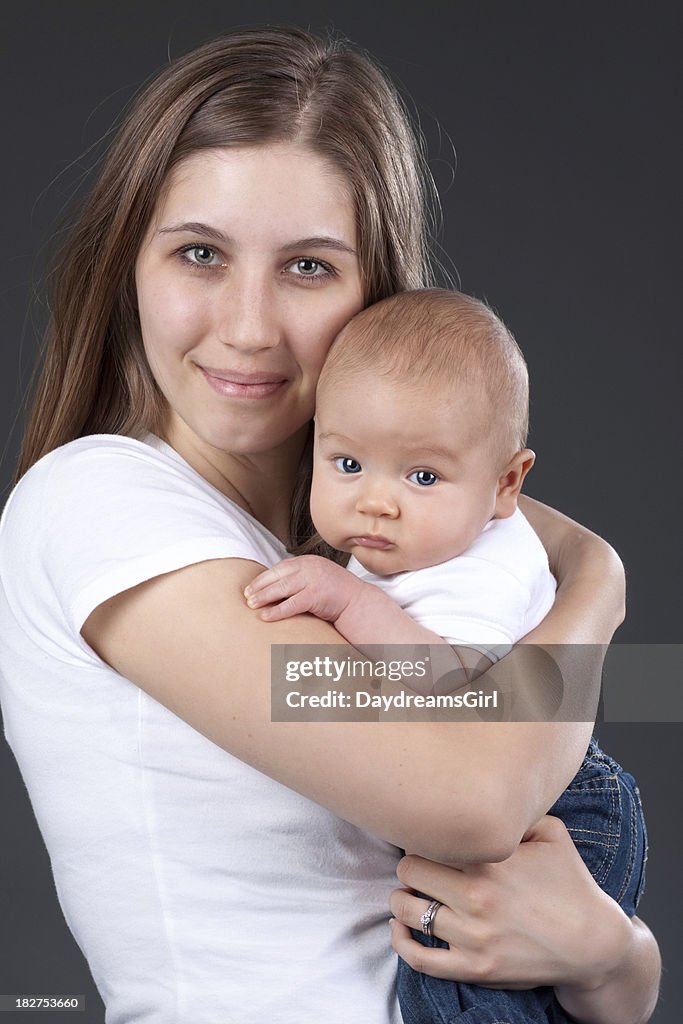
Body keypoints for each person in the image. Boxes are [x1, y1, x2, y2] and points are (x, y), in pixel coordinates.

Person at [0, 26, 659, 1024]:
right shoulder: (98, 504)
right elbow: (477, 800)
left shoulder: (343, 543)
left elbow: (616, 990)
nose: (250, 324)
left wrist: (606, 952)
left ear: (373, 291)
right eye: (199, 254)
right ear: (128, 265)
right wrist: (599, 588)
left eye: (307, 267)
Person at [245, 286, 649, 1022]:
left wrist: (347, 601)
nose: (375, 501)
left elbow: (459, 687)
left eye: (422, 476)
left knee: (455, 994)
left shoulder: (480, 570)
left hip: (554, 807)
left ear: (506, 485)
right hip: (525, 792)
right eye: (345, 463)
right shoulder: (424, 544)